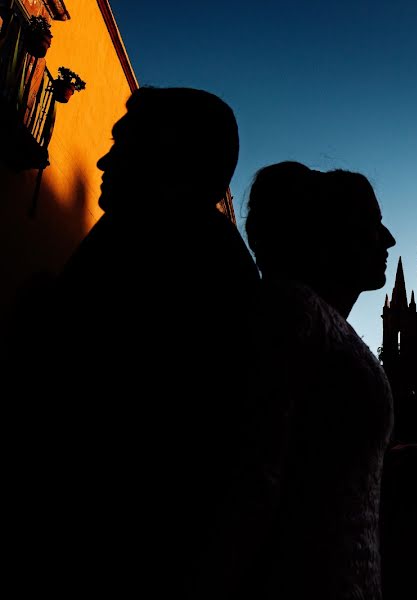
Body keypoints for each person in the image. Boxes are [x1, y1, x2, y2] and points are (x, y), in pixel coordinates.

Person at [47, 87, 260, 598]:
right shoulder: (164, 241)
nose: (103, 159)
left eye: (123, 143)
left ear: (167, 156)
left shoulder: (176, 253)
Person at [231, 161, 396, 599]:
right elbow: (251, 482)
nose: (389, 240)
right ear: (331, 233)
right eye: (373, 224)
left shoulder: (315, 318)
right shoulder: (293, 312)